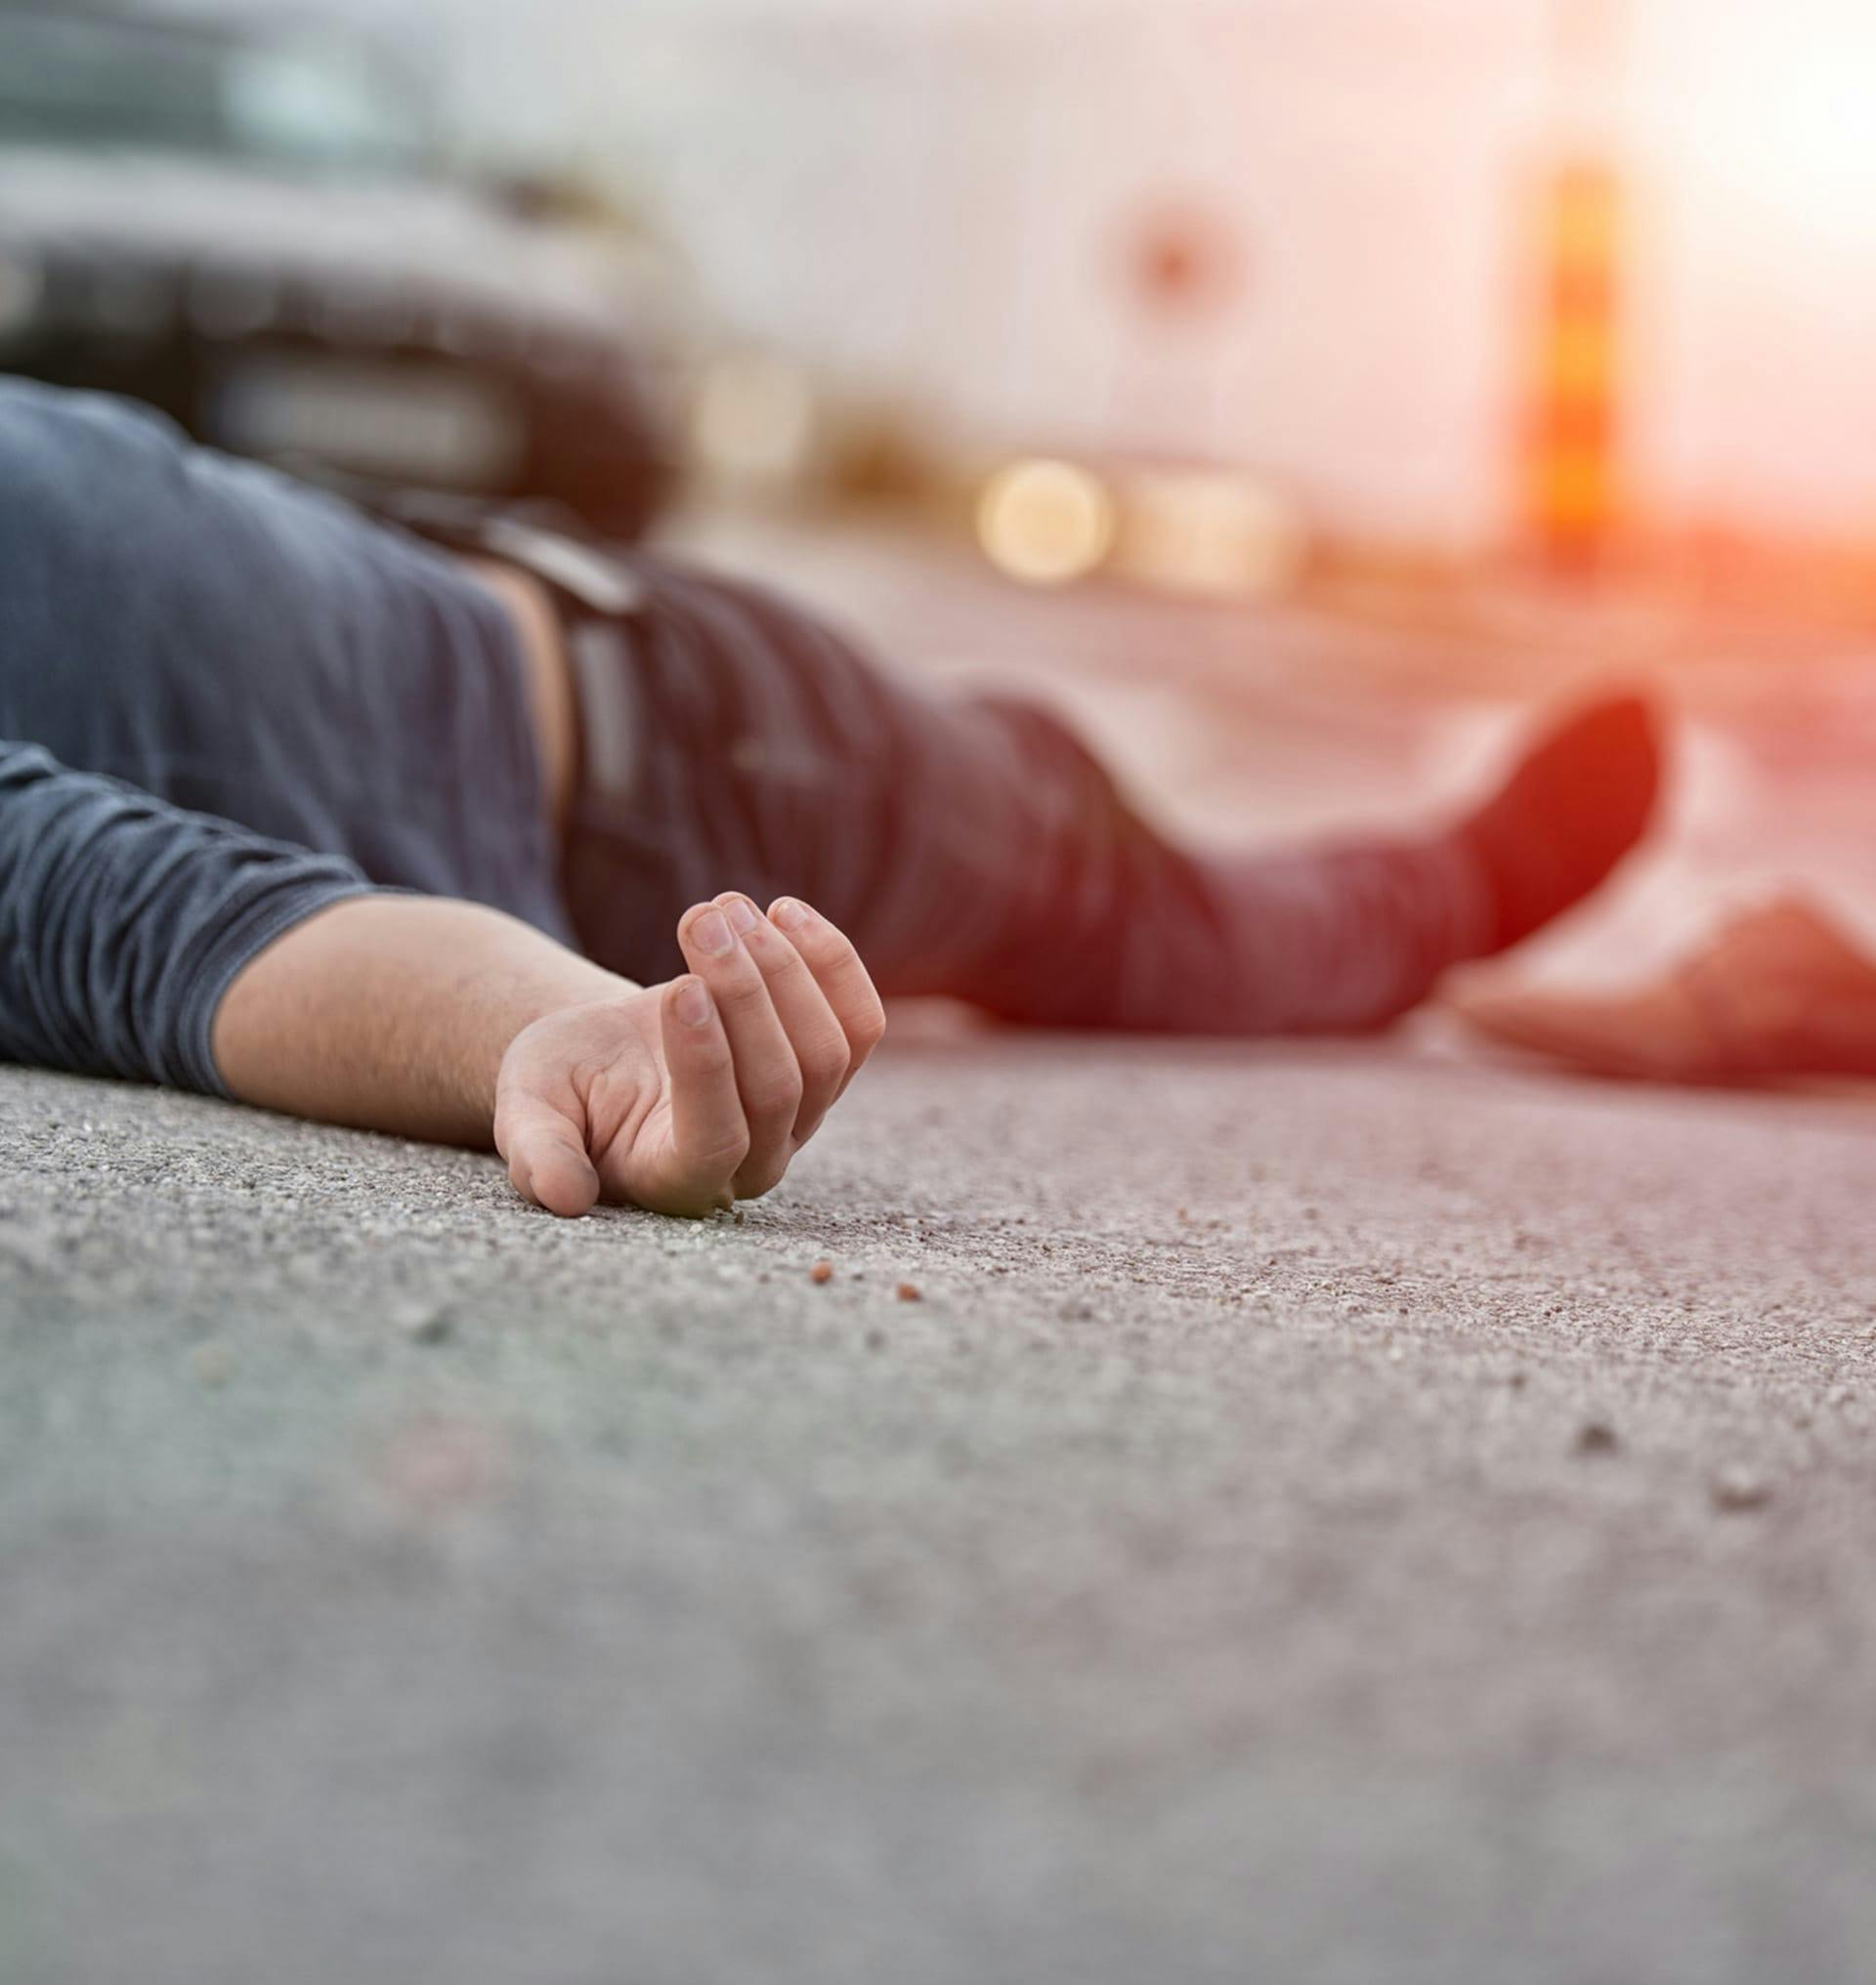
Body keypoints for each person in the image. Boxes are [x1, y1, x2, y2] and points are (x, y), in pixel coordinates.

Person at [0, 379, 1661, 1216]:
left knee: (1064, 820)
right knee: (1131, 907)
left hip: (577, 628)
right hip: (694, 771)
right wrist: (546, 1032)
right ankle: (1452, 894)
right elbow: (139, 921)